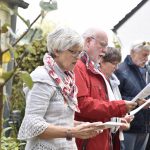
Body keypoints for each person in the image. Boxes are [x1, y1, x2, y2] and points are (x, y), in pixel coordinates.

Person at [17, 27, 105, 150]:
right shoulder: (42, 78)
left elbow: (58, 121)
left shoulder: (67, 79)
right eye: (73, 52)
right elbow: (32, 125)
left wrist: (83, 127)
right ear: (56, 50)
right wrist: (72, 132)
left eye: (79, 52)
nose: (77, 57)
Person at [73, 27, 137, 150]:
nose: (104, 50)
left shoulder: (92, 69)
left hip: (100, 141)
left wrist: (117, 119)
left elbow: (99, 107)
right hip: (88, 142)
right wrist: (120, 107)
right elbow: (82, 105)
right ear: (87, 42)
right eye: (102, 45)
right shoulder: (79, 67)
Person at [115, 41, 150, 150]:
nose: (147, 59)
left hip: (145, 126)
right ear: (133, 52)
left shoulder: (147, 70)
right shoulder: (120, 70)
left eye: (148, 55)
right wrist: (137, 102)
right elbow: (114, 98)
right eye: (144, 55)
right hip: (128, 126)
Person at [100, 47, 134, 150]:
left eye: (118, 64)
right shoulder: (98, 80)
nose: (117, 67)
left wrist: (121, 119)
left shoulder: (113, 81)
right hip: (101, 135)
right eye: (114, 63)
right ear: (102, 62)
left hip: (113, 135)